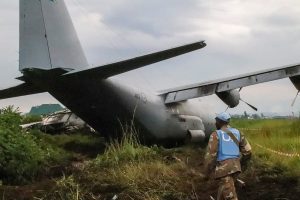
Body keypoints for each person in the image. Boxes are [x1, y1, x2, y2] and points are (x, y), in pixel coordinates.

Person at [204, 112, 252, 200]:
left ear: (219, 122)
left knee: (230, 196)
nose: (215, 123)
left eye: (216, 121)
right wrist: (240, 165)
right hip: (235, 169)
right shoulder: (238, 133)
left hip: (224, 170)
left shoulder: (216, 134)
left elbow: (210, 156)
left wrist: (207, 173)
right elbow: (248, 151)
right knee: (224, 192)